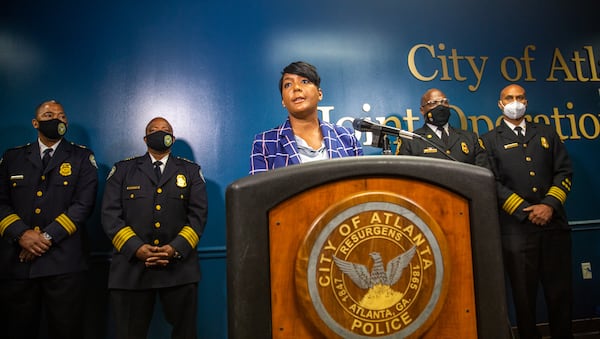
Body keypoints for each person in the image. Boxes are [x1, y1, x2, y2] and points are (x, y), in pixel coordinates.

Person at [480, 84, 573, 339]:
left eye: (519, 97)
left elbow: (564, 172)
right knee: (524, 299)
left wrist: (549, 206)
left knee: (560, 295)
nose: (515, 102)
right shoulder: (489, 140)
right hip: (516, 232)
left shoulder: (546, 133)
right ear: (500, 104)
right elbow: (491, 181)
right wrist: (525, 211)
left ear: (526, 101)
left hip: (554, 227)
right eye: (509, 98)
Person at [102, 117, 208, 339]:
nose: (160, 133)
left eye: (165, 130)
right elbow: (111, 216)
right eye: (153, 130)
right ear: (145, 138)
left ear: (173, 137)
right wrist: (137, 248)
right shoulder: (123, 170)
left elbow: (197, 217)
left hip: (179, 268)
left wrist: (173, 249)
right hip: (131, 269)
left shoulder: (190, 171)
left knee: (185, 333)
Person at [0, 100, 98, 339]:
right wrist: (22, 235)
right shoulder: (13, 157)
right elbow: (1, 202)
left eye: (62, 115)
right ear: (36, 123)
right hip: (18, 265)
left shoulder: (82, 157)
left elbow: (82, 206)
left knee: (67, 331)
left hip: (64, 265)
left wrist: (43, 239)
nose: (57, 119)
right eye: (49, 114)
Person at [249, 61, 363, 175]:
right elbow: (258, 192)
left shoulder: (347, 137)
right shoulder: (264, 143)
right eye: (288, 84)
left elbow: (363, 186)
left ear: (319, 94)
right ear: (283, 101)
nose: (296, 88)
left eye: (304, 81)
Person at [397, 88, 487, 166]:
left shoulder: (470, 138)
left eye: (444, 102)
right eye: (433, 103)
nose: (440, 106)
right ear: (422, 110)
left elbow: (484, 172)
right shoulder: (410, 140)